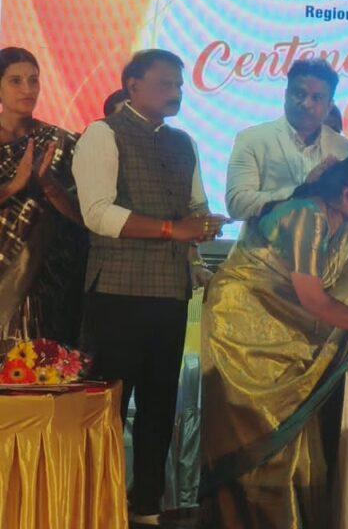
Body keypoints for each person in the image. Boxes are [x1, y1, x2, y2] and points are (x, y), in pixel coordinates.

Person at [200, 154, 348, 528]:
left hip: (292, 330)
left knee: (293, 435)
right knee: (251, 428)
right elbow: (314, 300)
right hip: (241, 325)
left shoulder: (346, 227)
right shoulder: (305, 216)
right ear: (347, 195)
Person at [73, 49, 227, 526]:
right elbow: (97, 213)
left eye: (179, 85)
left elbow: (195, 206)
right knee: (109, 403)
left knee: (160, 403)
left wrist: (204, 225)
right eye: (165, 84)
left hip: (170, 292)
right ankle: (97, 504)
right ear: (133, 86)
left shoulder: (184, 142)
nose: (176, 92)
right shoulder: (103, 134)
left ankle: (146, 507)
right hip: (117, 292)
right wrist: (171, 229)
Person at [0, 46, 84, 345]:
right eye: (16, 81)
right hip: (4, 271)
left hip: (47, 279)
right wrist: (14, 186)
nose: (27, 89)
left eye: (33, 80)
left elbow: (83, 216)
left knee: (39, 361)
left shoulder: (61, 143)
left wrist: (48, 184)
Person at [226, 58, 348, 235]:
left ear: (329, 105)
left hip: (326, 250)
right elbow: (237, 204)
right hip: (264, 250)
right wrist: (301, 191)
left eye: (316, 97)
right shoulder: (251, 139)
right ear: (286, 95)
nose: (306, 104)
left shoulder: (344, 149)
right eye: (299, 94)